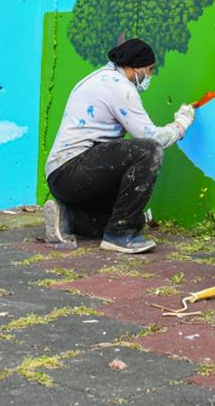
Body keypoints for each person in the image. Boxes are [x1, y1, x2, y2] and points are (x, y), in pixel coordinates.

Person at [43, 39, 195, 254]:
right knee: (148, 150)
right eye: (149, 70)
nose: (149, 76)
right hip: (72, 171)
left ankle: (69, 216)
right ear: (136, 68)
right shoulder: (118, 86)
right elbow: (151, 137)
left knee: (133, 216)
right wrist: (180, 125)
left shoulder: (99, 78)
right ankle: (120, 234)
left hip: (64, 176)